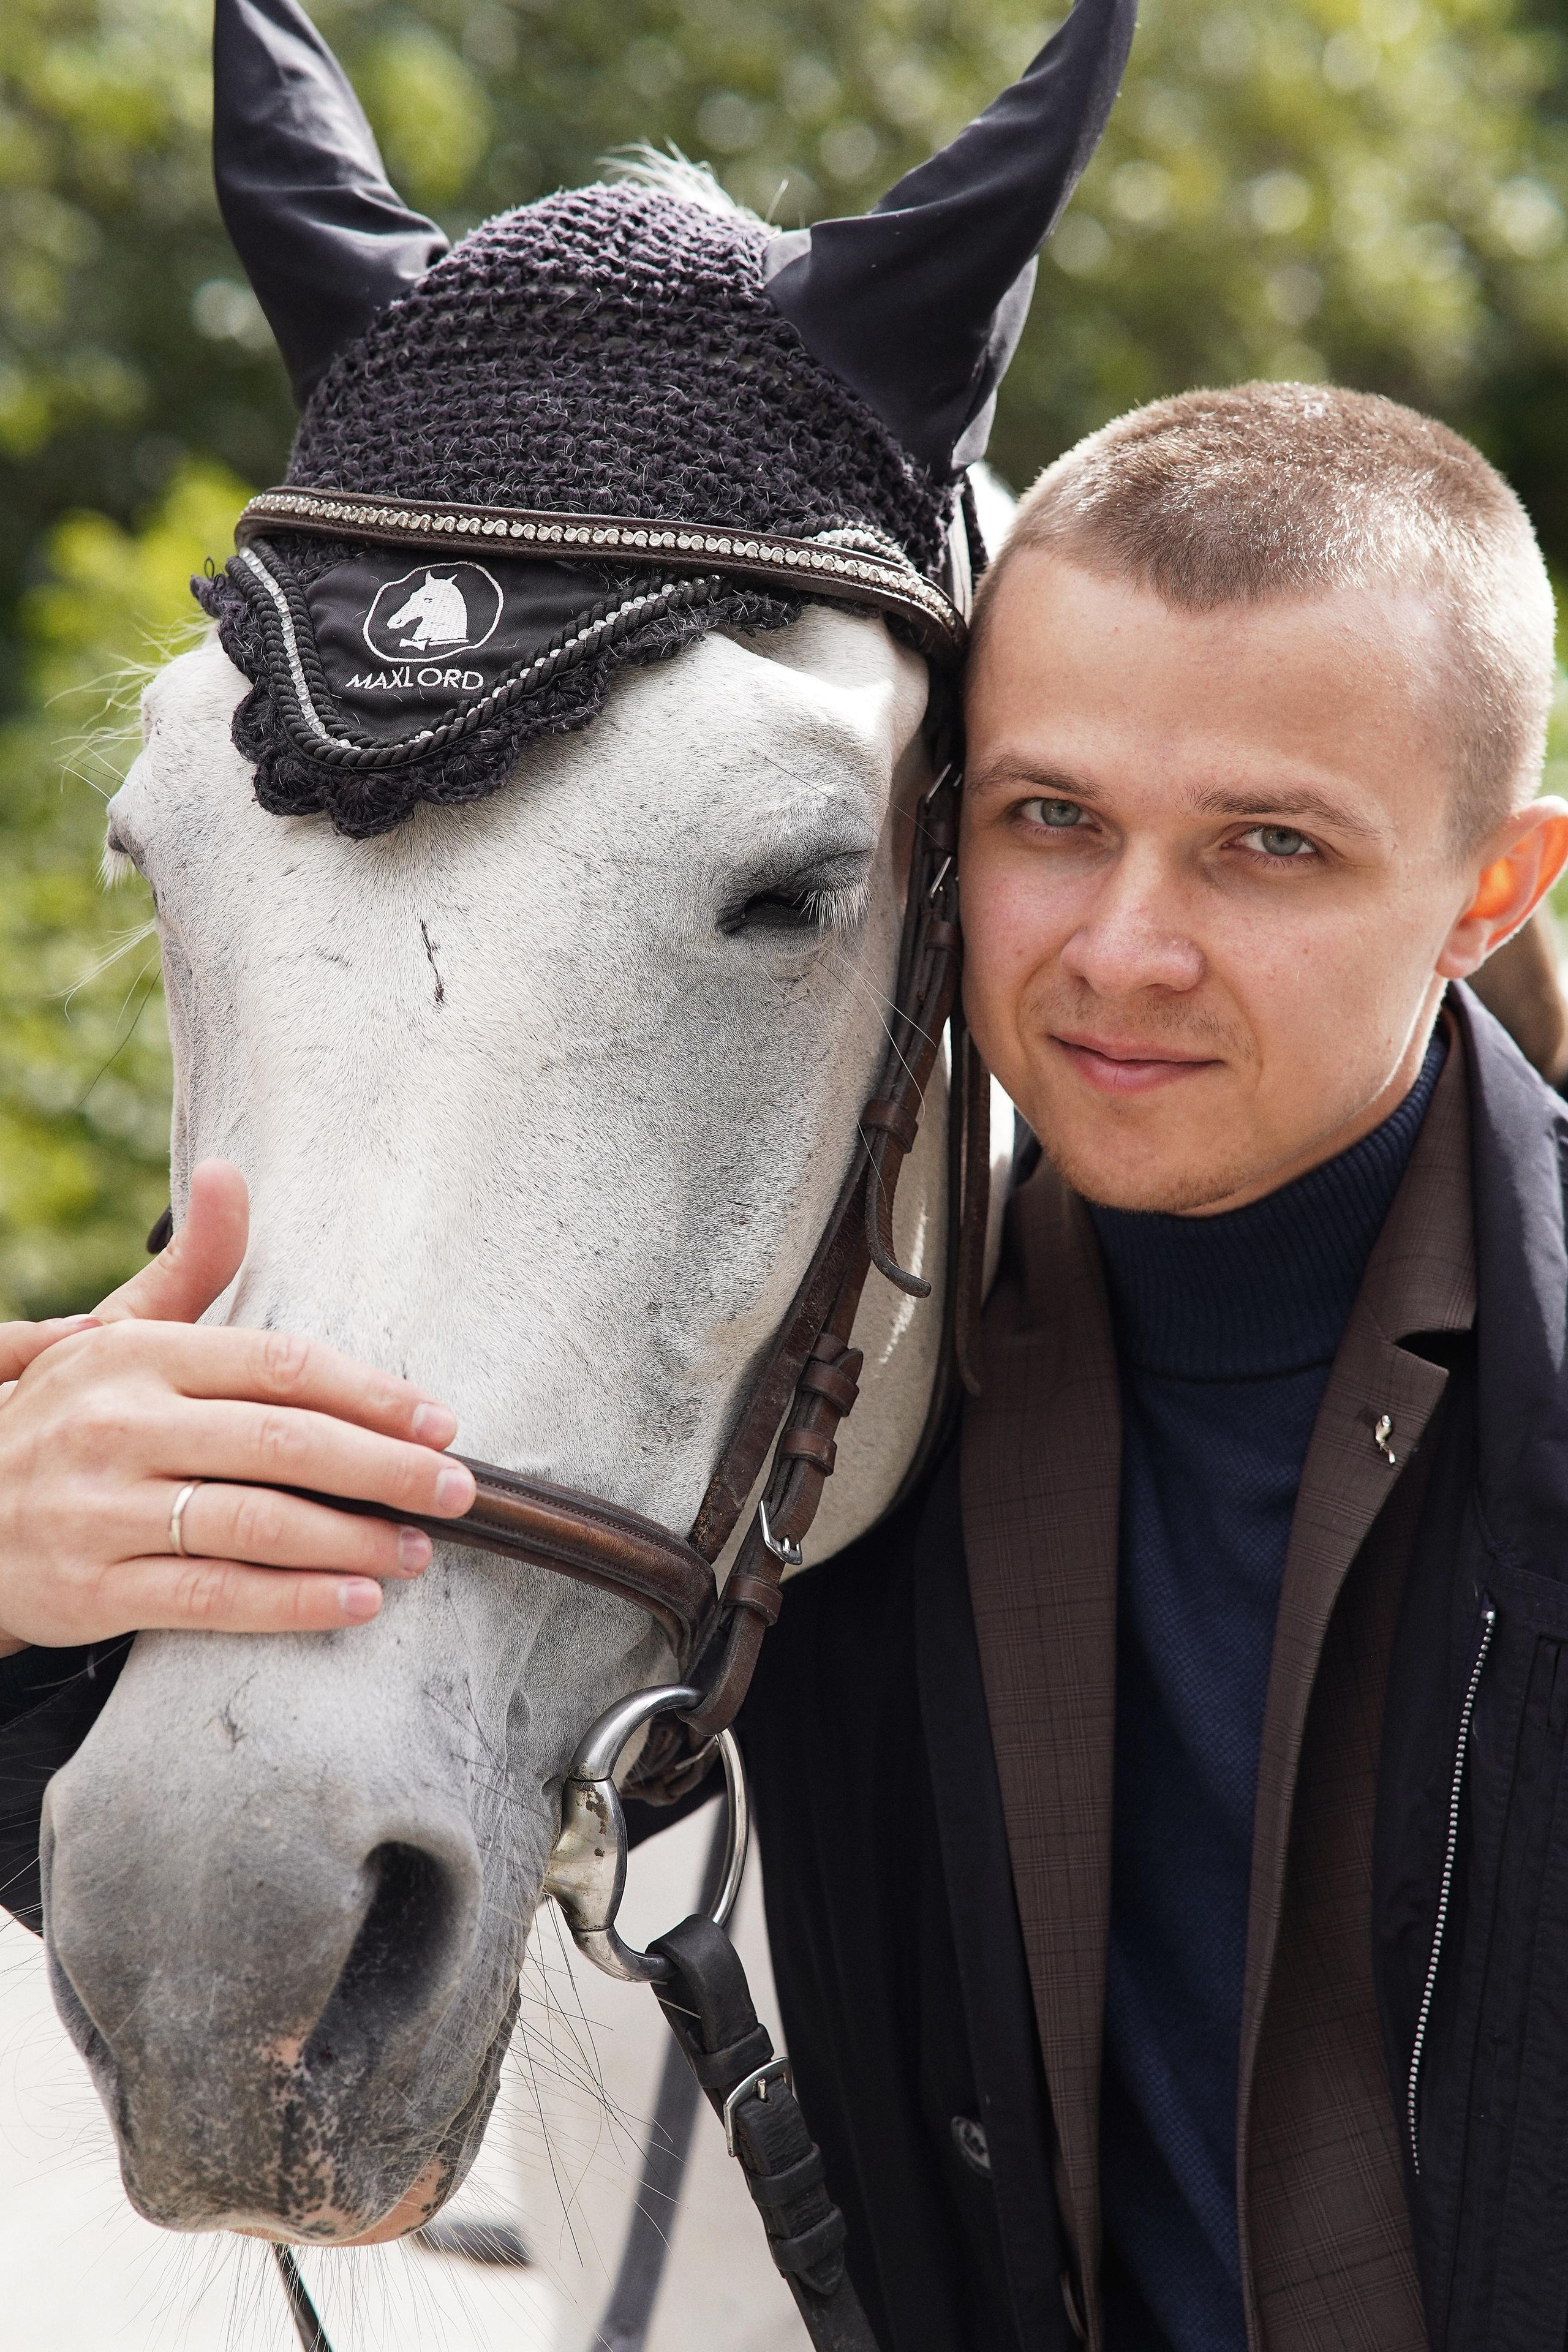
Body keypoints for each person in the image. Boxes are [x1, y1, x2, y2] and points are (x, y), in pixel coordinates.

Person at [3, 375, 1567, 2352]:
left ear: (1494, 888)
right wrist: (41, 1586)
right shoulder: (852, 1416)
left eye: (1270, 846)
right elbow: (346, 1801)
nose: (1124, 948)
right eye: (1050, 819)